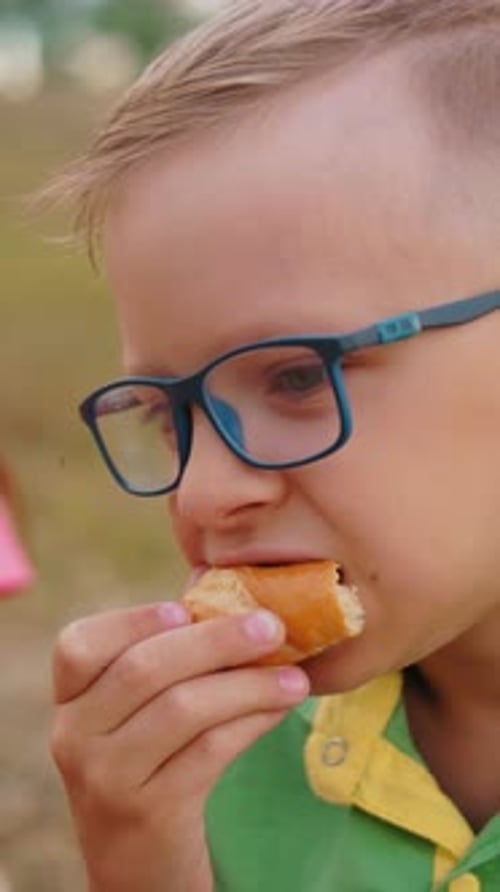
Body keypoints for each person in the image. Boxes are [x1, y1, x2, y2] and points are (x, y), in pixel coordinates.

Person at [48, 1, 500, 890]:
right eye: (167, 416)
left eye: (296, 377)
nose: (201, 495)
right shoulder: (207, 770)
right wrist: (142, 867)